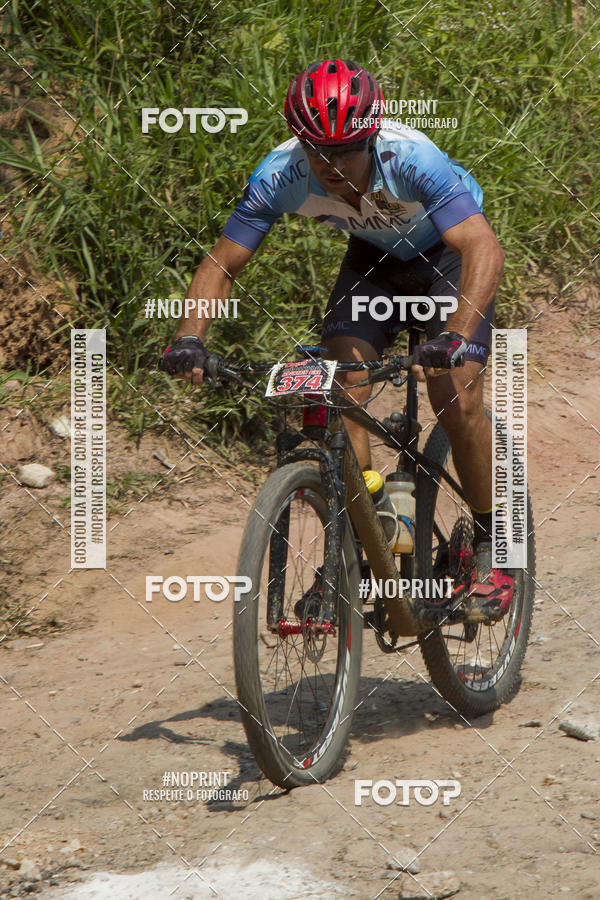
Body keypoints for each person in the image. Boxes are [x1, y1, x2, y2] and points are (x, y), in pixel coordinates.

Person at [160, 58, 513, 624]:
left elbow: (482, 248)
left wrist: (454, 334)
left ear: (370, 136)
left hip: (448, 259)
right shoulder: (280, 173)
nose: (330, 164)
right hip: (374, 262)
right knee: (339, 387)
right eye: (316, 150)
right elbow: (222, 263)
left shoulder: (412, 158)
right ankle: (364, 540)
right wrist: (189, 338)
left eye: (346, 150)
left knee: (456, 393)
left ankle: (498, 543)